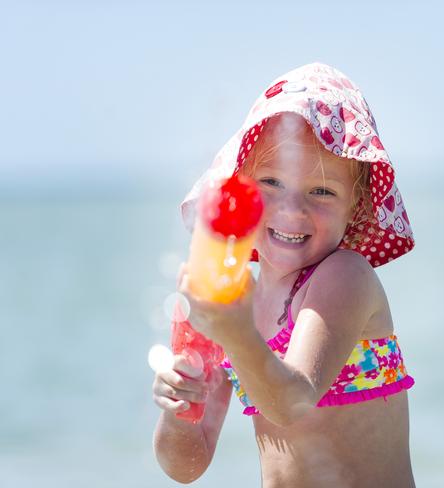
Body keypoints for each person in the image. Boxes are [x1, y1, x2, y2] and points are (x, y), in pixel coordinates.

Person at [152, 62, 416, 487]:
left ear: (358, 205)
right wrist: (179, 411)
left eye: (322, 191)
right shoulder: (236, 301)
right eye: (271, 182)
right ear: (240, 188)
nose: (292, 210)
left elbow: (294, 399)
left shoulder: (344, 277)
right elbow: (187, 466)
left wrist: (236, 333)